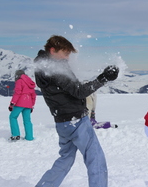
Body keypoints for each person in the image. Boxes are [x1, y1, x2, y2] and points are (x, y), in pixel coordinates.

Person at [34, 35, 119, 187]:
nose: (67, 58)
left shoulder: (43, 67)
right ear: (53, 50)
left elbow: (71, 89)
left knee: (65, 160)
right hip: (76, 121)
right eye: (65, 53)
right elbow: (79, 92)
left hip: (62, 123)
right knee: (96, 159)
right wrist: (104, 78)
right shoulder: (56, 69)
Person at [8, 70, 36, 141]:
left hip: (20, 102)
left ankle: (15, 135)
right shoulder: (30, 82)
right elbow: (33, 95)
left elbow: (17, 93)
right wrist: (32, 105)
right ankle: (29, 137)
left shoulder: (19, 81)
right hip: (29, 103)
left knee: (13, 117)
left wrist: (12, 103)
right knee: (27, 120)